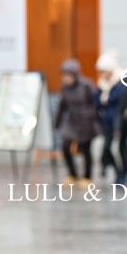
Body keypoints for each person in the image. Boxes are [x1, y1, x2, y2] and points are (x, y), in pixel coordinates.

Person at [55, 59, 100, 188]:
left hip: (86, 122)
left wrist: (94, 118)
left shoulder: (86, 86)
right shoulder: (65, 88)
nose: (66, 79)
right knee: (65, 146)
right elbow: (62, 106)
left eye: (68, 76)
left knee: (86, 149)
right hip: (72, 121)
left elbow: (95, 103)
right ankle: (72, 175)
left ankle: (87, 177)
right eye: (64, 76)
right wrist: (57, 123)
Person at [95, 51, 127, 183]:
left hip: (119, 122)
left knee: (119, 149)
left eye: (104, 71)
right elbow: (97, 102)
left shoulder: (120, 82)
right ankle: (118, 173)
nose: (102, 74)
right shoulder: (102, 85)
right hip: (107, 123)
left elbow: (120, 101)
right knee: (108, 149)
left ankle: (123, 174)